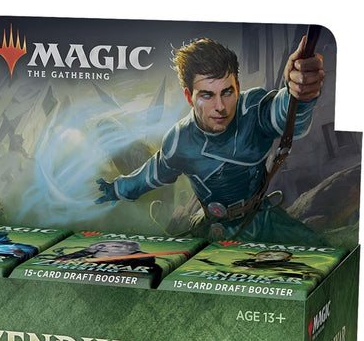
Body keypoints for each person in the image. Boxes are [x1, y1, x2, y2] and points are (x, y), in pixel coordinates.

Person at [95, 36, 325, 241]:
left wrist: (299, 94)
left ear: (237, 87)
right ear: (189, 97)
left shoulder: (253, 110)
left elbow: (286, 116)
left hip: (264, 219)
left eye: (227, 92)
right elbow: (152, 174)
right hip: (214, 229)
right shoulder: (181, 140)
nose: (220, 106)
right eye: (207, 95)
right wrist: (117, 189)